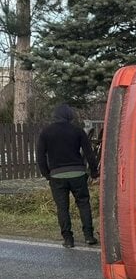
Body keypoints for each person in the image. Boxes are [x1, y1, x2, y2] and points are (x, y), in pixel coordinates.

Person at [36, 104, 99, 248]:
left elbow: (40, 157)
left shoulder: (46, 132)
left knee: (62, 207)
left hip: (57, 176)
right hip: (77, 173)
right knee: (83, 204)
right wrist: (94, 171)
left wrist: (47, 174)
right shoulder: (77, 131)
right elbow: (89, 153)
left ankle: (68, 239)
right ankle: (89, 236)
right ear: (70, 115)